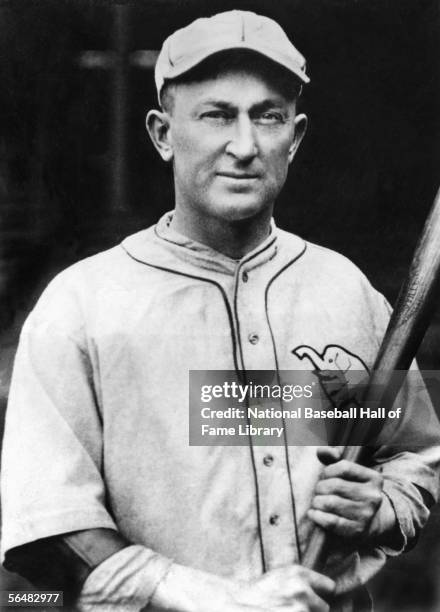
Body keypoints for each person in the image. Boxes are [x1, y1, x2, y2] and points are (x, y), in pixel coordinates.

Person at [1, 10, 439, 612]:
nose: (244, 145)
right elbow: (45, 531)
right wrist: (224, 602)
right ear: (161, 133)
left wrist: (383, 507)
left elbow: (415, 454)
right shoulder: (82, 305)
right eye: (215, 115)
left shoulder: (347, 292)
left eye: (268, 116)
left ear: (297, 135)